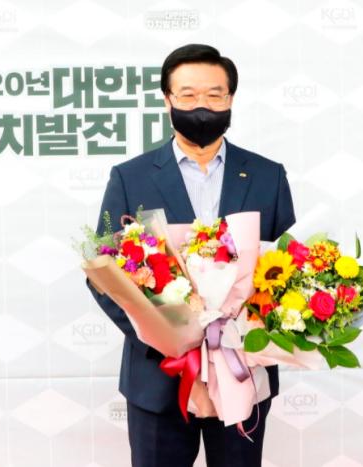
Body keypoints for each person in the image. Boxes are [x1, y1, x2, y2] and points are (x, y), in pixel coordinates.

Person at [86, 43, 296, 467]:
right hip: (158, 379)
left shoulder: (267, 176)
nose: (202, 105)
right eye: (188, 95)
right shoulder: (130, 177)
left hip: (242, 370)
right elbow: (104, 276)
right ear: (167, 100)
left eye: (214, 94)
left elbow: (283, 271)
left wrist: (249, 333)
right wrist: (165, 336)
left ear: (231, 98)